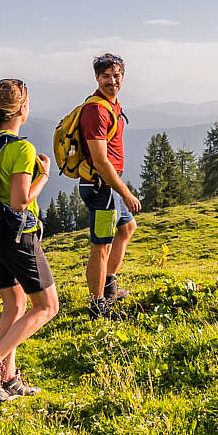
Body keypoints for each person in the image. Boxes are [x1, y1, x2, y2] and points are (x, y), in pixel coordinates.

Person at [0, 79, 57, 401]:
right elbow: (19, 201)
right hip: (17, 235)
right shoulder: (20, 148)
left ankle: (9, 378)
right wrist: (44, 175)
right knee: (46, 306)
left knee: (14, 305)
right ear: (24, 109)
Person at [75, 52, 142, 317]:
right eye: (106, 77)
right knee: (100, 246)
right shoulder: (95, 110)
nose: (112, 81)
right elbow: (101, 161)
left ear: (123, 78)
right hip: (99, 187)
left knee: (127, 227)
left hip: (109, 187)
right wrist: (125, 193)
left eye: (116, 76)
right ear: (96, 78)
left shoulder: (113, 104)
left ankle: (109, 283)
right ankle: (97, 304)